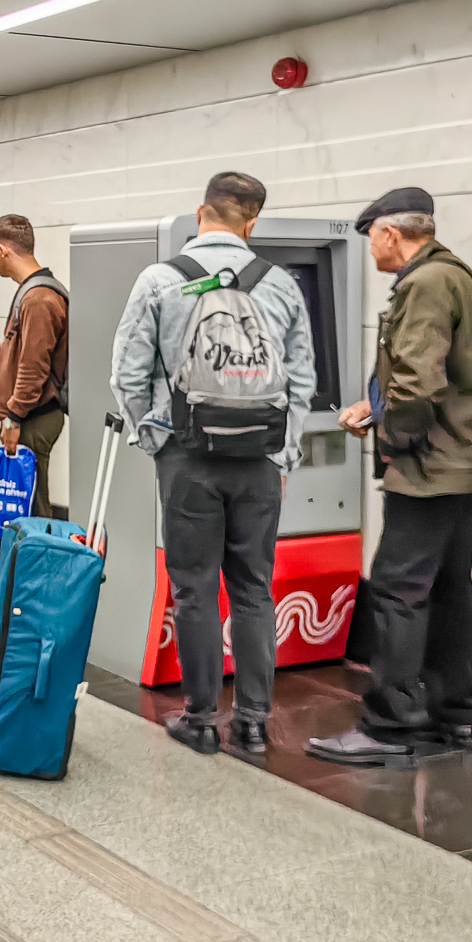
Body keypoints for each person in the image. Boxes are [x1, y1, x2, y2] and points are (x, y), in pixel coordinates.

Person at [111, 172, 316, 755]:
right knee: (253, 588)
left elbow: (127, 373)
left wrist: (156, 440)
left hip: (188, 458)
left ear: (200, 214)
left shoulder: (160, 279)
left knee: (194, 589)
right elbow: (301, 378)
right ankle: (253, 721)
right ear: (252, 223)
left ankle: (200, 718)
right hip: (259, 459)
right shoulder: (279, 283)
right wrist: (284, 451)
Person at [308, 189, 472, 765]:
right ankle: (456, 715)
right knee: (449, 590)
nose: (371, 252)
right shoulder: (459, 276)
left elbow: (417, 382)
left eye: (371, 239)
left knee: (397, 590)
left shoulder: (423, 284)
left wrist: (392, 440)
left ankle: (390, 728)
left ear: (390, 234)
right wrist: (375, 405)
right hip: (459, 463)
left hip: (426, 466)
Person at [0, 214, 68, 518]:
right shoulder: (35, 290)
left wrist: (13, 418)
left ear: (4, 250)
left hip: (32, 417)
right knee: (28, 501)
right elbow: (33, 351)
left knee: (30, 504)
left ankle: (39, 564)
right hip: (32, 414)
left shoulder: (38, 298)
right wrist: (6, 351)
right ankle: (29, 563)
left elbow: (34, 368)